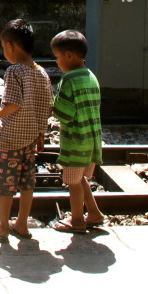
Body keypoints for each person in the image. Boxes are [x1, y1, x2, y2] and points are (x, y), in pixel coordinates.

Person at [0, 19, 53, 243]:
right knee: (26, 182)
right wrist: (41, 133)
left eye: (3, 47)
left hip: (9, 138)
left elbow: (13, 104)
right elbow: (45, 106)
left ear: (11, 46)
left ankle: (2, 228)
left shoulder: (14, 71)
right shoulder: (41, 72)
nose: (4, 52)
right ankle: (21, 224)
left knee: (6, 185)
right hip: (30, 138)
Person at [50, 29, 105, 234]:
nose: (56, 62)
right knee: (80, 178)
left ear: (68, 56)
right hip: (92, 140)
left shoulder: (69, 80)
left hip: (76, 141)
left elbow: (63, 115)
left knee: (73, 183)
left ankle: (77, 220)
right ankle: (94, 213)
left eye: (57, 57)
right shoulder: (91, 76)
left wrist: (50, 103)